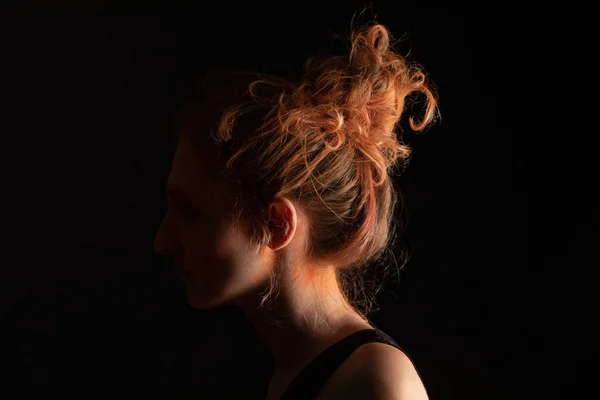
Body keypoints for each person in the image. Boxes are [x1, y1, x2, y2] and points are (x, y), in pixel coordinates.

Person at [154, 23, 438, 400]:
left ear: (276, 224)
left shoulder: (375, 384)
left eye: (189, 212)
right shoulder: (291, 373)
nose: (162, 242)